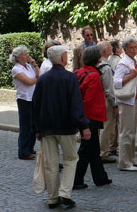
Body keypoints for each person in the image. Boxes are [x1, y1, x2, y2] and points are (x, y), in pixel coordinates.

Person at [32, 45, 91, 209]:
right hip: (66, 127)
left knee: (50, 164)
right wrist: (84, 126)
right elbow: (76, 105)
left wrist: (37, 128)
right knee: (71, 159)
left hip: (47, 128)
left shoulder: (42, 79)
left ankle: (52, 198)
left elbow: (35, 105)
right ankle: (64, 193)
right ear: (63, 59)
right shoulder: (70, 78)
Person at [73, 46, 112, 189]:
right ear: (97, 58)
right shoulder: (94, 75)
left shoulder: (79, 72)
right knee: (86, 150)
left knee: (93, 149)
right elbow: (90, 100)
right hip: (91, 117)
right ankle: (76, 179)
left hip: (86, 117)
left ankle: (100, 177)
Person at [114, 37, 137, 171]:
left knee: (132, 131)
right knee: (126, 132)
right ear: (126, 49)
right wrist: (129, 76)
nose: (134, 50)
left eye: (135, 47)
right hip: (126, 100)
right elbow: (116, 82)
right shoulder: (123, 63)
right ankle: (124, 162)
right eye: (131, 48)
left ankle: (130, 158)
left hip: (133, 99)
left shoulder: (133, 61)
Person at [10, 45, 39, 160]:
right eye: (24, 54)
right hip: (24, 99)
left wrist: (34, 64)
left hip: (32, 98)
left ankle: (30, 148)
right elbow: (29, 82)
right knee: (25, 126)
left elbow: (38, 75)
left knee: (33, 125)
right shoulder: (16, 69)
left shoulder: (28, 66)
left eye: (27, 54)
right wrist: (37, 79)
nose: (27, 56)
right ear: (18, 57)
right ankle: (23, 151)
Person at [97, 41, 118, 164]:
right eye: (110, 47)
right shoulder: (106, 67)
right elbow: (109, 88)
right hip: (107, 100)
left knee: (102, 127)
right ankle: (103, 153)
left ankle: (100, 151)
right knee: (107, 127)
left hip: (100, 99)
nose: (112, 49)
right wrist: (115, 104)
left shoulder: (98, 64)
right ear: (105, 51)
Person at [108, 39, 122, 155]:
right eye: (120, 46)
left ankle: (111, 146)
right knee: (118, 123)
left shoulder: (108, 60)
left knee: (111, 122)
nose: (121, 48)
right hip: (117, 93)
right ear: (116, 49)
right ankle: (114, 146)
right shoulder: (119, 61)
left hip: (110, 93)